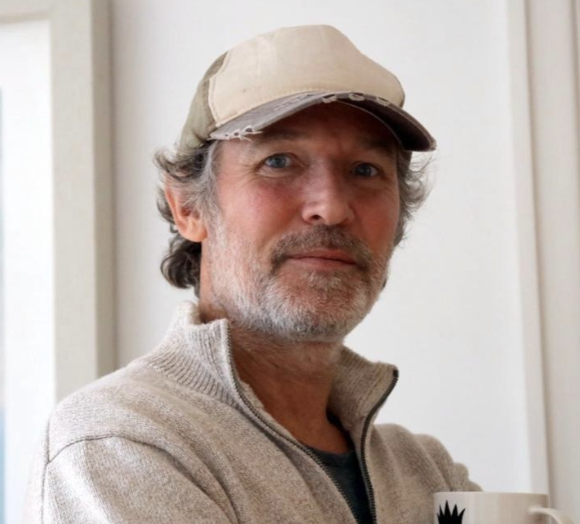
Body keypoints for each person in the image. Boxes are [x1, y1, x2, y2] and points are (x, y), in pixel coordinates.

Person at [24, 24, 480, 524]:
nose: (331, 207)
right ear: (188, 208)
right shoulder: (123, 441)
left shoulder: (429, 474)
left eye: (366, 170)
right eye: (278, 162)